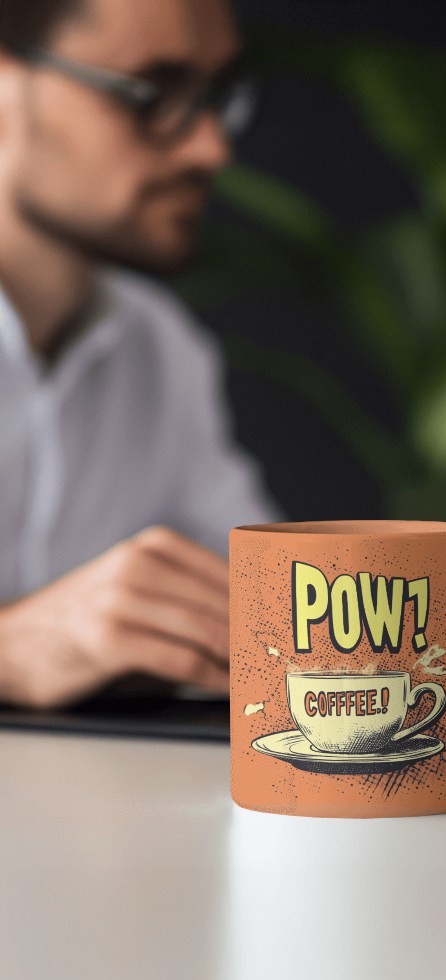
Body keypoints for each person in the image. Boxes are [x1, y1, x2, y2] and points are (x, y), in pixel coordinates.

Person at [0, 0, 282, 710]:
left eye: (217, 98)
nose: (210, 148)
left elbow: (273, 616)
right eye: (153, 95)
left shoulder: (161, 349)